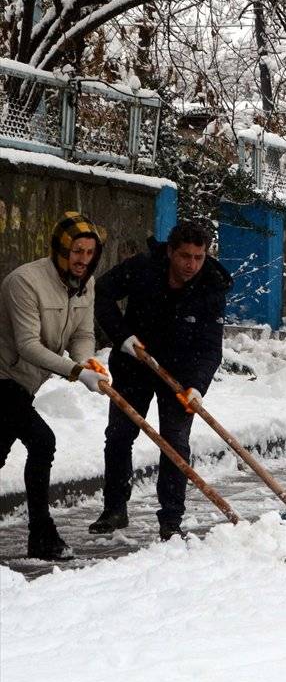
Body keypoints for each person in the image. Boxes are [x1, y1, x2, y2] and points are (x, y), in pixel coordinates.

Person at [87, 221, 232, 541]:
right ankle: (114, 509)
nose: (191, 265)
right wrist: (123, 338)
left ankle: (171, 519)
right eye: (184, 256)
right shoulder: (143, 268)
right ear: (170, 252)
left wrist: (197, 387)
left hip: (181, 373)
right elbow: (102, 293)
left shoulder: (212, 285)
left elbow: (211, 346)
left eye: (198, 257)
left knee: (175, 443)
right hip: (134, 362)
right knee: (120, 435)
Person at [1, 212, 111, 560]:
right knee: (42, 441)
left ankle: (41, 535)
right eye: (76, 251)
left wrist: (89, 361)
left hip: (24, 384)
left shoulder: (86, 283)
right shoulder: (24, 282)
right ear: (61, 250)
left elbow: (82, 332)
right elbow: (27, 346)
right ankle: (42, 534)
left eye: (89, 252)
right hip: (3, 377)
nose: (83, 260)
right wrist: (77, 371)